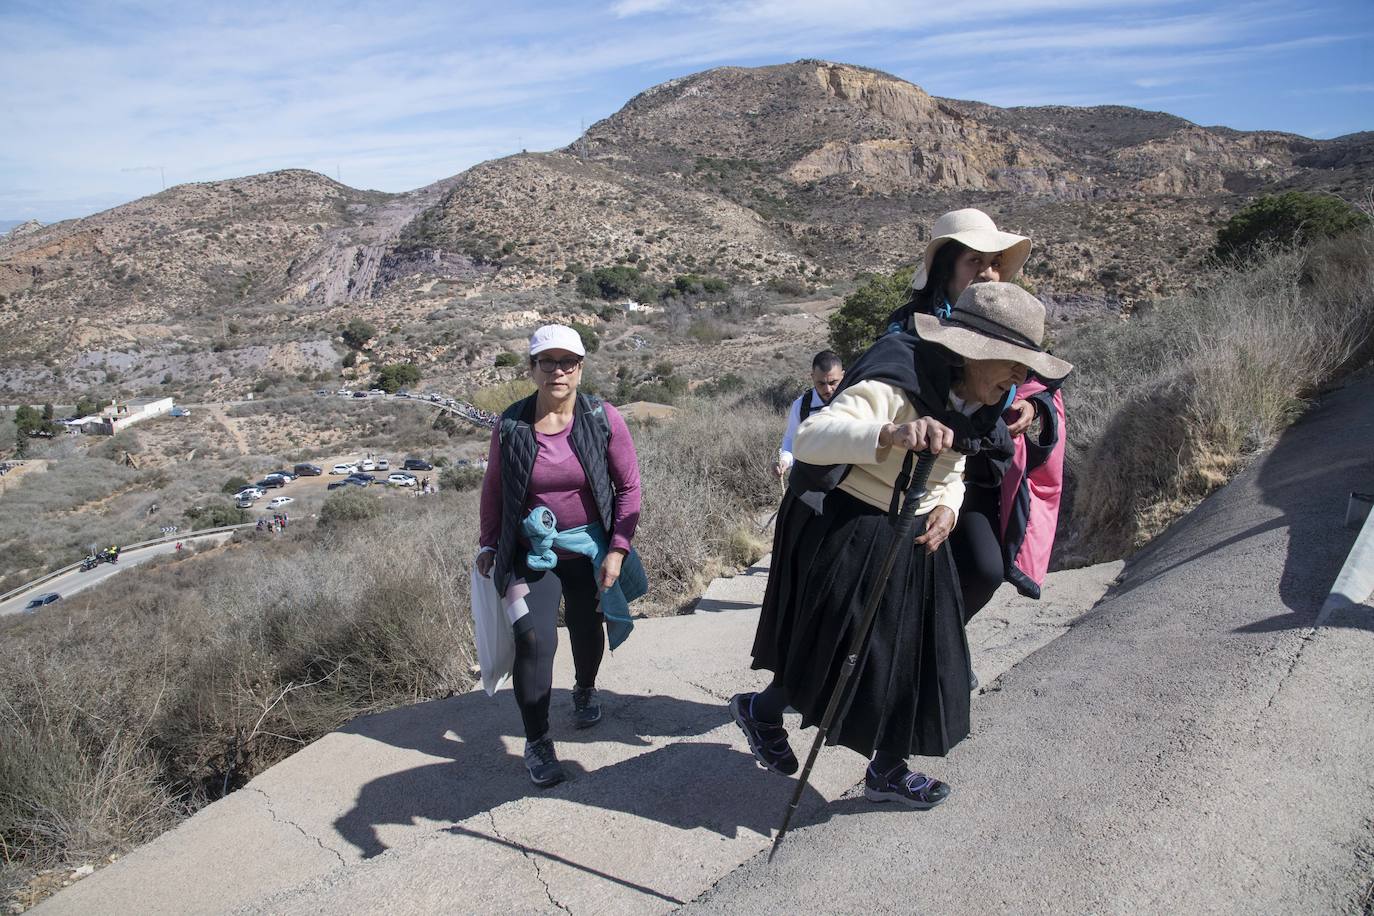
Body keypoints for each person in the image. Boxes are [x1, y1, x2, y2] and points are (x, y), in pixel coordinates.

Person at [732, 282, 1072, 808]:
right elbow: (812, 438)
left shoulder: (978, 403)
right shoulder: (899, 380)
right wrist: (888, 434)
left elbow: (954, 467)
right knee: (837, 652)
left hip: (917, 534)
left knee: (913, 655)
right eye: (1013, 364)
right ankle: (761, 710)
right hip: (858, 527)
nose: (1020, 380)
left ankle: (887, 769)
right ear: (971, 353)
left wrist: (950, 506)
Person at [476, 324, 646, 788]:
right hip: (530, 551)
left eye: (566, 362)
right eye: (546, 362)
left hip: (589, 548)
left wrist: (618, 549)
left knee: (587, 627)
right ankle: (537, 741)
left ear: (580, 368)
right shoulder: (510, 425)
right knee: (535, 641)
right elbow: (493, 489)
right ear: (531, 369)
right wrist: (489, 542)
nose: (557, 371)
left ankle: (585, 688)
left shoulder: (601, 417)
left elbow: (628, 488)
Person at [883, 208, 1067, 636]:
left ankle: (942, 646)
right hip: (911, 470)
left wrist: (1032, 407)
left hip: (976, 467)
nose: (987, 273)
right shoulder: (907, 329)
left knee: (984, 570)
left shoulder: (1003, 321)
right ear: (946, 267)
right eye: (974, 262)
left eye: (994, 264)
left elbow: (1034, 379)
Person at [774, 351, 844, 478]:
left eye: (833, 382)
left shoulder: (853, 400)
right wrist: (784, 461)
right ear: (812, 377)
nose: (828, 389)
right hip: (812, 479)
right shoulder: (801, 406)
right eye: (821, 383)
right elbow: (791, 440)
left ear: (843, 376)